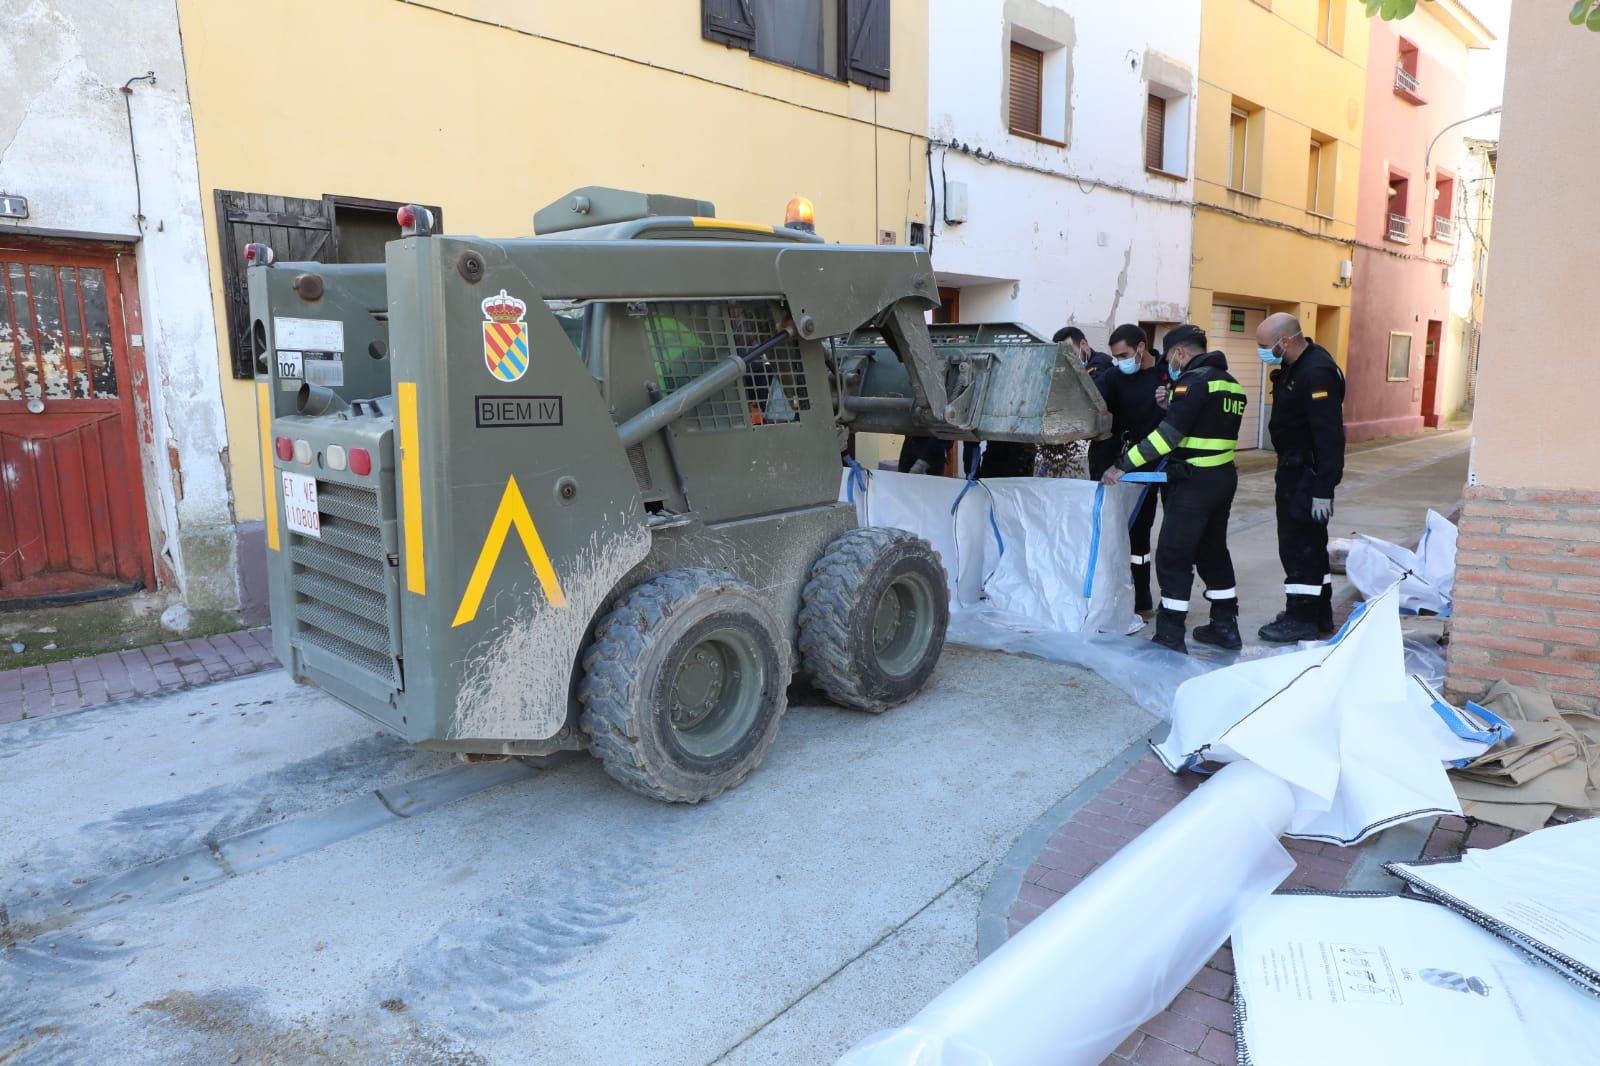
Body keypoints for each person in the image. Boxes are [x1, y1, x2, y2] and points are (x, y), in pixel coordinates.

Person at [1102, 325, 1244, 654]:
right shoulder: (1231, 384)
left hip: (1193, 482)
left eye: (1170, 358)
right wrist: (1173, 407)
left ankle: (1169, 634)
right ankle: (1225, 625)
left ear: (1179, 353)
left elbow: (1167, 437)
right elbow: (1207, 426)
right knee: (1212, 551)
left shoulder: (1193, 383)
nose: (1170, 364)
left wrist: (1122, 465)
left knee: (1173, 555)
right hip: (1222, 479)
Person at [1254, 313, 1346, 644]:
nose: (1261, 352)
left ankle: (1300, 618)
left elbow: (1329, 435)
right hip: (1293, 470)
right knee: (1309, 545)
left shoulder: (1316, 371)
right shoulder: (1298, 366)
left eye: (1265, 346)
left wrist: (1324, 488)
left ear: (1287, 340)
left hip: (1306, 475)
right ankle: (1316, 612)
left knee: (1299, 546)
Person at [1096, 324, 1169, 612]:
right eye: (1115, 356)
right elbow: (1094, 398)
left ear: (1141, 348)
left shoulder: (1166, 375)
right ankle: (1128, 597)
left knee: (1149, 535)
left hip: (1157, 465)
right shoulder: (1114, 377)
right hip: (1125, 466)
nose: (1120, 361)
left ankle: (1143, 596)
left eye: (1124, 354)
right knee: (1124, 531)